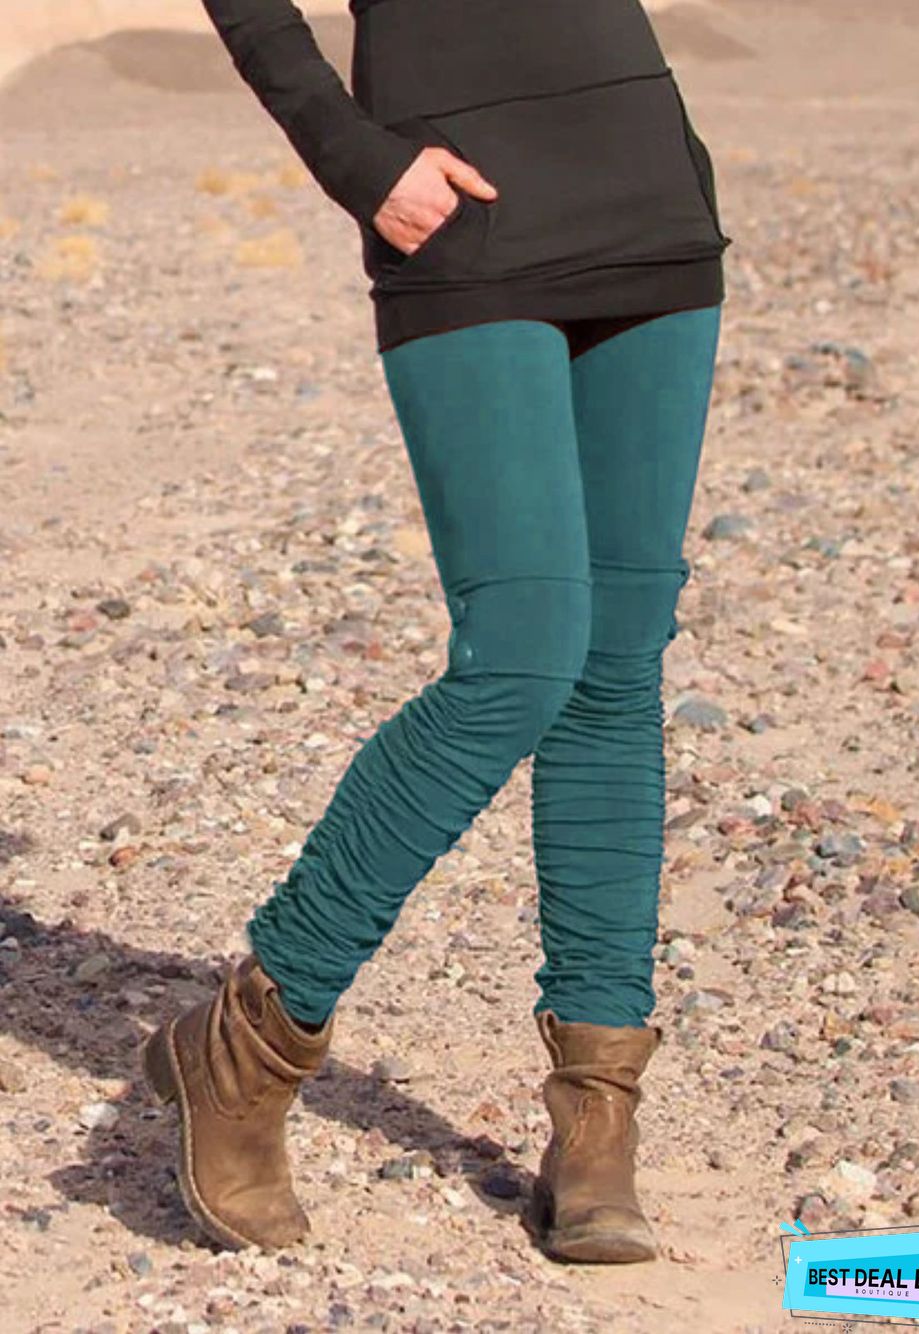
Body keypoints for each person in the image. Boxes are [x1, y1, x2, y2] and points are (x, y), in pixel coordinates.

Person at [142, 0, 733, 1264]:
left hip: (645, 188)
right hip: (460, 205)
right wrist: (355, 158)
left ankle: (598, 1113)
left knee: (615, 667)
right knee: (520, 657)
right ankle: (247, 1040)